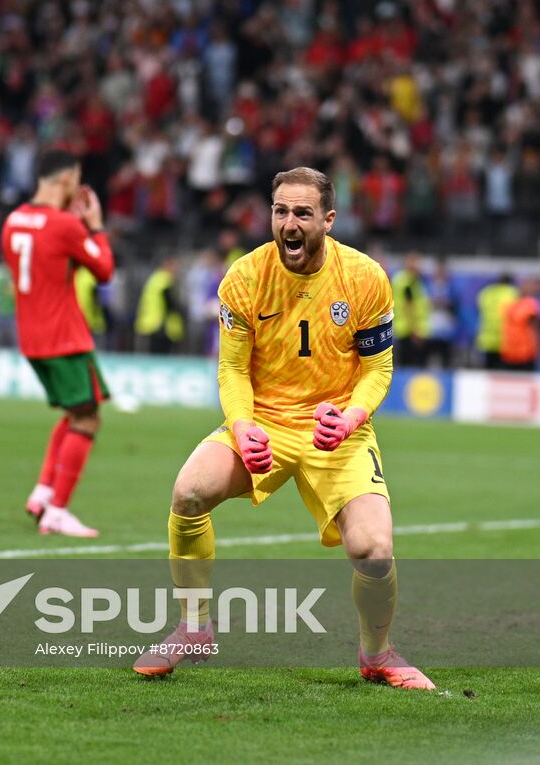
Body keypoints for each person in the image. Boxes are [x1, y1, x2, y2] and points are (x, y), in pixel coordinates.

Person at [133, 167, 435, 691]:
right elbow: (231, 368)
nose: (288, 223)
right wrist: (242, 425)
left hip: (335, 427)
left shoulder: (364, 277)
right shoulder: (244, 277)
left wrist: (352, 418)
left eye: (302, 213)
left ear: (328, 219)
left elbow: (377, 368)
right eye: (280, 211)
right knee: (188, 492)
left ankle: (378, 654)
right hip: (266, 422)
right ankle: (194, 625)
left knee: (373, 550)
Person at [3, 148, 117, 537]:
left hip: (31, 339)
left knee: (73, 414)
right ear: (67, 179)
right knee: (88, 417)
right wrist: (96, 226)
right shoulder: (64, 225)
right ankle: (58, 511)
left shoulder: (13, 221)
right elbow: (103, 271)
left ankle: (43, 493)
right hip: (65, 338)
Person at [134, 257, 184, 354]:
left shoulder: (155, 278)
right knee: (161, 356)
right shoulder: (165, 280)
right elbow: (170, 304)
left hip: (150, 323)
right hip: (160, 326)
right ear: (168, 265)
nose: (176, 271)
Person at [390, 253, 430, 368]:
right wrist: (415, 330)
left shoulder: (402, 280)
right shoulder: (408, 283)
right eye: (416, 262)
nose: (419, 266)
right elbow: (409, 307)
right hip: (410, 331)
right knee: (411, 366)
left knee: (404, 364)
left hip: (404, 328)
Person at [475, 274, 518, 370]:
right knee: (502, 374)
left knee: (488, 371)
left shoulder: (486, 292)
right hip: (505, 340)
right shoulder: (512, 293)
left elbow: (478, 309)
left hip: (487, 338)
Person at [500, 279, 540, 372]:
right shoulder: (510, 304)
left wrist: (538, 347)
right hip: (510, 351)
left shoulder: (530, 304)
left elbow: (535, 328)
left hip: (525, 352)